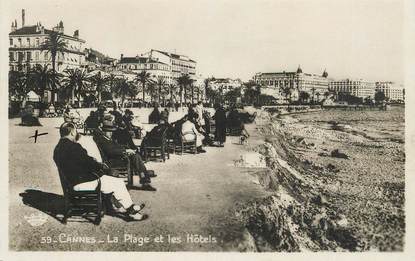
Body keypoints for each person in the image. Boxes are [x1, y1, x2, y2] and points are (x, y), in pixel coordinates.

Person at [53, 122, 148, 221]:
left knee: (110, 180)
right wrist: (100, 165)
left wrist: (93, 163)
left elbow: (81, 163)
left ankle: (122, 207)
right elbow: (89, 163)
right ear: (72, 132)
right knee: (117, 182)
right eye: (76, 131)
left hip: (73, 183)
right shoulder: (74, 146)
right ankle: (130, 210)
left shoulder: (57, 149)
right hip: (83, 183)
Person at [93, 115, 156, 191]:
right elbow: (110, 151)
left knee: (135, 156)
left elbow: (115, 147)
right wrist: (125, 151)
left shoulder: (106, 139)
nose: (111, 133)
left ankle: (144, 175)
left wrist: (127, 150)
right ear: (104, 131)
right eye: (109, 131)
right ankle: (144, 178)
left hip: (117, 156)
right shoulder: (103, 140)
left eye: (111, 131)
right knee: (136, 157)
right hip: (113, 160)